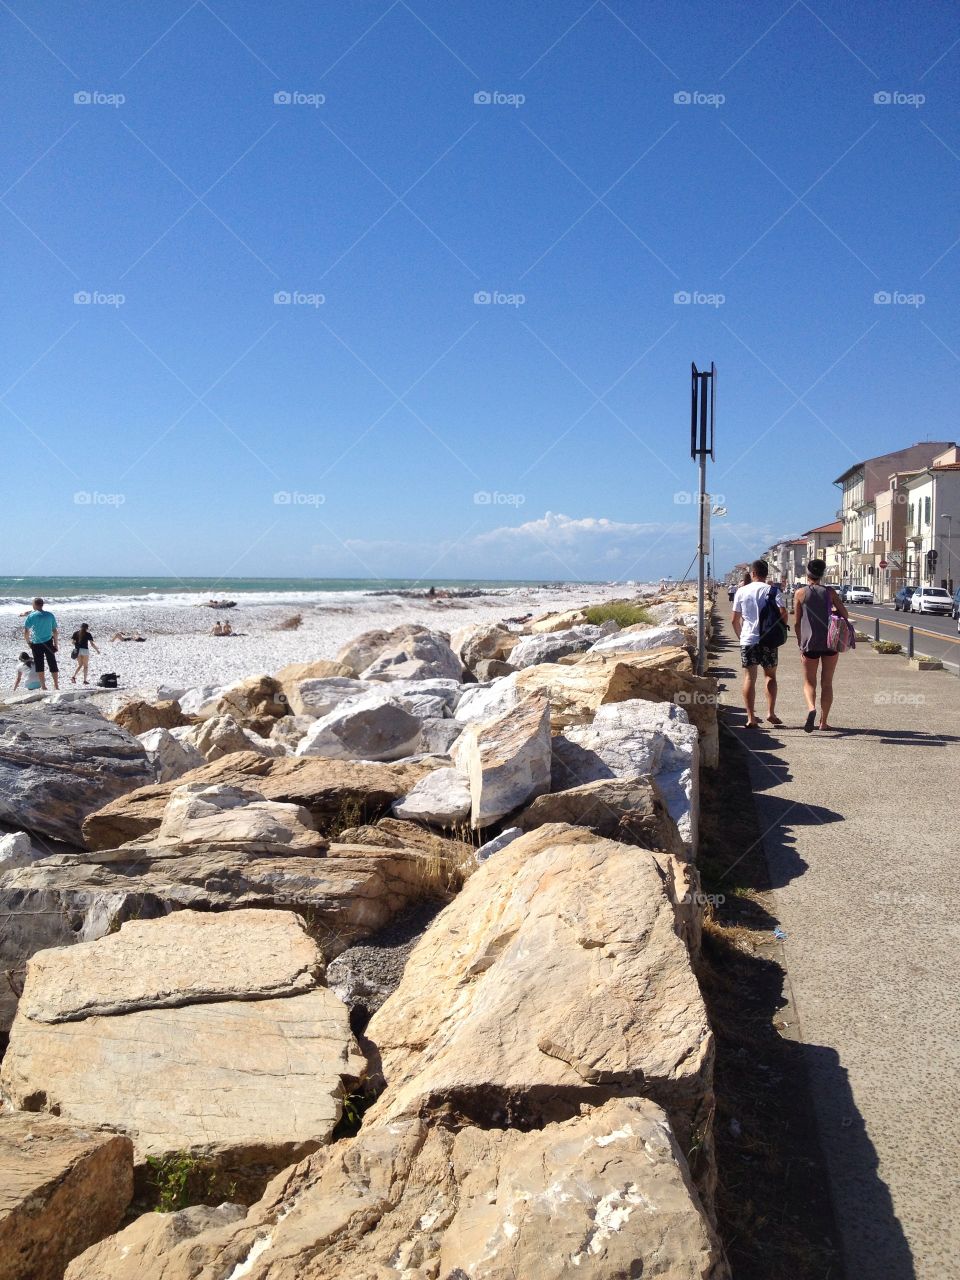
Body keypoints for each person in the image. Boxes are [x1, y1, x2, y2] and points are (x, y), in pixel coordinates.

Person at [732, 559, 788, 728]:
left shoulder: (741, 591)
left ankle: (751, 718)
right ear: (766, 573)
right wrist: (780, 629)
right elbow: (783, 613)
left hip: (748, 639)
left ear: (753, 573)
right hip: (769, 640)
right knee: (770, 676)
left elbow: (734, 620)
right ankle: (770, 713)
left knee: (749, 677)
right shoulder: (773, 590)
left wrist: (741, 637)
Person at [794, 559, 849, 732]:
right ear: (822, 574)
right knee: (827, 682)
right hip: (830, 642)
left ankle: (811, 708)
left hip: (810, 643)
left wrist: (800, 642)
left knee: (809, 681)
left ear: (807, 573)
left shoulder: (800, 593)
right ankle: (823, 722)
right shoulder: (830, 592)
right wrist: (833, 610)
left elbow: (796, 622)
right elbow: (845, 614)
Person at [22, 597, 59, 691]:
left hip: (36, 643)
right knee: (52, 663)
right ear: (42, 604)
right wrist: (56, 644)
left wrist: (28, 642)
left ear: (34, 605)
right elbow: (55, 631)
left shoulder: (31, 616)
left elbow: (26, 631)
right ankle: (56, 685)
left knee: (39, 664)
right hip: (49, 642)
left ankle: (43, 686)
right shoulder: (50, 615)